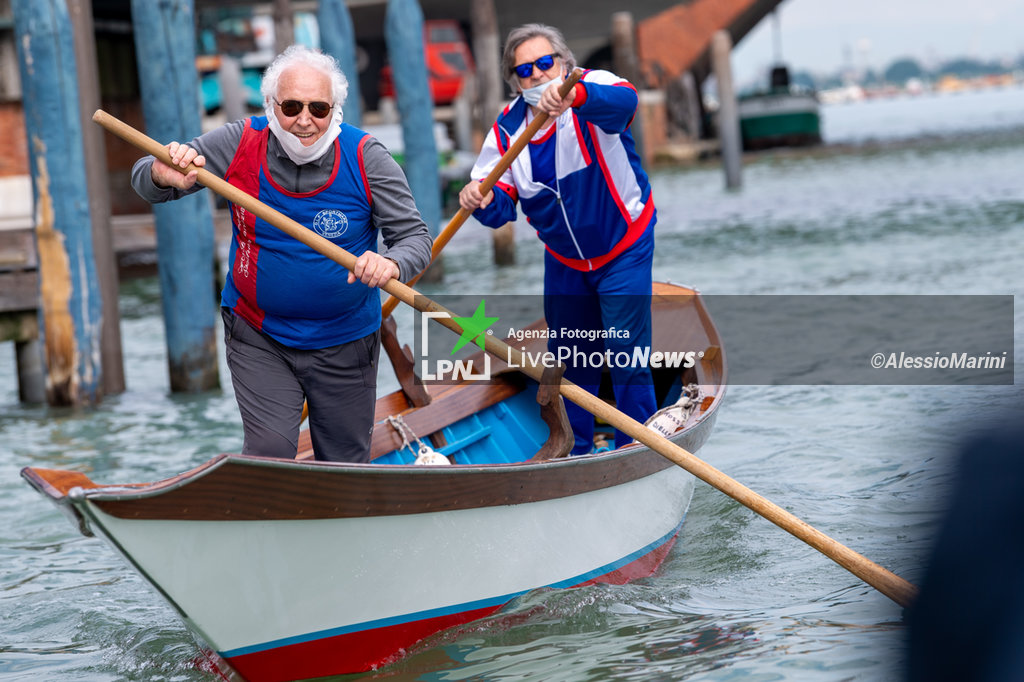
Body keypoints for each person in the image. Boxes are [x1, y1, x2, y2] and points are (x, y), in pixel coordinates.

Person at [131, 45, 432, 463]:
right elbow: (144, 176)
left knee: (345, 466)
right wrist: (161, 174)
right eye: (291, 106)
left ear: (335, 109)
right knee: (269, 453)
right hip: (258, 333)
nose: (304, 120)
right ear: (271, 105)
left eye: (318, 108)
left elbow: (416, 238)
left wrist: (392, 262)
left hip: (345, 338)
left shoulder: (368, 158)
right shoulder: (239, 142)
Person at [458, 23, 657, 454]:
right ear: (515, 81)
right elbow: (497, 212)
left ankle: (638, 449)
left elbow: (626, 102)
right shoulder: (507, 132)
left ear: (563, 63)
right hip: (565, 261)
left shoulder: (593, 86)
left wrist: (576, 97)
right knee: (571, 361)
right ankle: (576, 452)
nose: (536, 75)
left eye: (545, 63)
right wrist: (480, 197)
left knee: (627, 356)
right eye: (524, 70)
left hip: (623, 247)